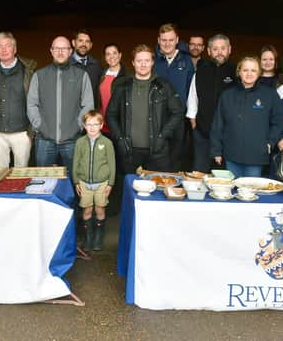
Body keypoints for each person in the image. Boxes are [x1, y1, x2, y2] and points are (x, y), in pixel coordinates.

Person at [107, 44, 184, 173]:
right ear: (133, 63)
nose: (143, 64)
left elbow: (177, 113)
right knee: (129, 188)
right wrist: (120, 139)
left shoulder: (163, 86)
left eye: (147, 61)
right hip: (129, 152)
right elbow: (111, 114)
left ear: (152, 62)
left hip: (158, 152)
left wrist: (162, 136)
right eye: (139, 61)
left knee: (159, 188)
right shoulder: (122, 86)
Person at [27, 36, 94, 172]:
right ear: (51, 51)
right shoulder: (39, 75)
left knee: (73, 180)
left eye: (64, 48)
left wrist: (77, 126)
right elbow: (31, 104)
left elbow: (88, 105)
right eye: (56, 48)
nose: (60, 52)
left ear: (70, 51)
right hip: (44, 140)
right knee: (43, 181)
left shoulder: (81, 75)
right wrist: (40, 126)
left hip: (72, 140)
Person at [210, 57, 283, 177]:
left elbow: (279, 121)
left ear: (259, 73)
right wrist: (216, 151)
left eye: (253, 70)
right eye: (245, 70)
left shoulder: (270, 94)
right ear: (239, 72)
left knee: (250, 192)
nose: (249, 74)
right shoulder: (227, 95)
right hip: (231, 154)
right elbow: (218, 125)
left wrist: (270, 142)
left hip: (257, 155)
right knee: (231, 191)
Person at [0, 32, 37, 167]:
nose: (4, 49)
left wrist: (30, 133)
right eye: (0, 46)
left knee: (21, 175)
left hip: (22, 132)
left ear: (15, 49)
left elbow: (36, 102)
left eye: (8, 46)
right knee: (0, 174)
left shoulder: (28, 70)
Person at [186, 34, 237, 173]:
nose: (219, 52)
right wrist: (193, 122)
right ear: (208, 51)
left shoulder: (236, 72)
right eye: (215, 49)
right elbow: (193, 97)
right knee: (199, 172)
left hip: (228, 135)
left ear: (229, 49)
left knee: (223, 175)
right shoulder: (201, 71)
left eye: (223, 48)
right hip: (203, 132)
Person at [72, 110, 115, 251]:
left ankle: (98, 239)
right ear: (84, 126)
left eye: (95, 124)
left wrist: (110, 183)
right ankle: (88, 239)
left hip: (102, 183)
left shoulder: (107, 143)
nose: (92, 127)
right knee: (87, 209)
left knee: (100, 209)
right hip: (84, 183)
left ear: (101, 125)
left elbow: (112, 164)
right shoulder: (80, 142)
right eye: (89, 124)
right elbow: (75, 162)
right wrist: (76, 181)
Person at [154, 23, 195, 171]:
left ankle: (173, 187)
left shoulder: (186, 61)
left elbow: (192, 90)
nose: (167, 43)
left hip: (179, 117)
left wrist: (190, 114)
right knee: (158, 154)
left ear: (177, 39)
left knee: (177, 156)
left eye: (171, 40)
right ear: (158, 40)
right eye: (164, 40)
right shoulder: (154, 60)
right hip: (157, 117)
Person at [98, 43, 129, 135]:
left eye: (114, 53)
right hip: (102, 127)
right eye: (108, 54)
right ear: (105, 57)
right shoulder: (101, 75)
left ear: (120, 55)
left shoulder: (128, 77)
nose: (111, 56)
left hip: (119, 128)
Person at [70, 29, 103, 101]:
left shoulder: (96, 65)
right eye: (80, 40)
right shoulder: (65, 65)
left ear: (91, 45)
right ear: (73, 43)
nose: (84, 44)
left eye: (87, 41)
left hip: (91, 110)